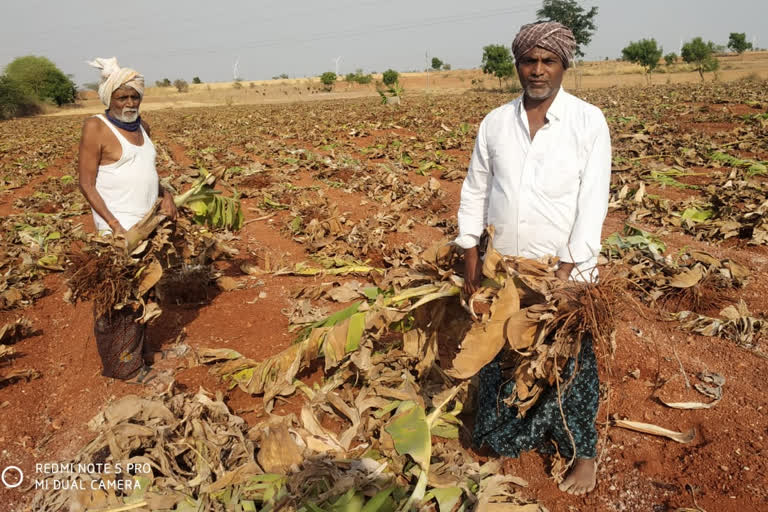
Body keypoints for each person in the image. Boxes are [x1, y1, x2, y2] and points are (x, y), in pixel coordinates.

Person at [456, 22, 611, 495]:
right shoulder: (495, 123)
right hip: (504, 269)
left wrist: (565, 275)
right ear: (518, 64)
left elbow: (592, 205)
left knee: (571, 362)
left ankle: (583, 452)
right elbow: (475, 194)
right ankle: (510, 434)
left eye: (548, 61)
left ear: (565, 65)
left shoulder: (588, 122)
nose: (537, 70)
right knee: (502, 358)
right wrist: (472, 270)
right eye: (529, 61)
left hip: (564, 271)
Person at [78, 57, 177, 386]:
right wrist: (114, 226)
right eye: (122, 97)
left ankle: (143, 352)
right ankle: (124, 368)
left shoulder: (143, 128)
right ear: (109, 99)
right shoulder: (96, 127)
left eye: (134, 96)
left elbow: (149, 171)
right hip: (118, 233)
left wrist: (166, 194)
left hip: (149, 226)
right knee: (118, 300)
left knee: (145, 291)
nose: (129, 103)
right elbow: (86, 183)